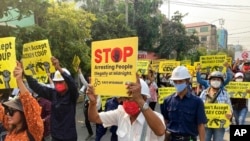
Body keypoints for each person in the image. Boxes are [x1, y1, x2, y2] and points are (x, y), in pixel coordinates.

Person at [87, 77, 166, 141]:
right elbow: (94, 118)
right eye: (125, 98)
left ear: (144, 98)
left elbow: (160, 131)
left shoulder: (155, 117)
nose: (127, 101)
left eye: (131, 98)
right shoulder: (121, 113)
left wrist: (139, 101)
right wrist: (93, 103)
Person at [24, 56, 79, 141]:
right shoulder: (53, 93)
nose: (57, 84)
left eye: (60, 82)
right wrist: (26, 73)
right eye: (56, 82)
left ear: (67, 83)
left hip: (68, 137)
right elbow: (37, 86)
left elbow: (72, 84)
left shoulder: (72, 95)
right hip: (55, 136)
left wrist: (59, 68)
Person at [0, 61, 44, 141]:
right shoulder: (11, 128)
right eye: (7, 110)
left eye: (11, 111)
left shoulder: (34, 131)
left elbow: (29, 105)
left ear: (24, 112)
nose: (8, 114)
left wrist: (19, 80)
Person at [161, 66, 207, 141]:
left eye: (180, 81)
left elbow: (200, 125)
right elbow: (165, 122)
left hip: (190, 139)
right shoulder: (167, 100)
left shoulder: (197, 102)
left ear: (187, 81)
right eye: (175, 81)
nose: (178, 84)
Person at [199, 71, 233, 141]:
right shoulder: (204, 93)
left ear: (221, 82)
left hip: (219, 126)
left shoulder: (225, 94)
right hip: (206, 124)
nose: (216, 81)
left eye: (218, 80)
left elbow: (230, 108)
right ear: (210, 81)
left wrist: (230, 114)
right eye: (214, 79)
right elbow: (199, 107)